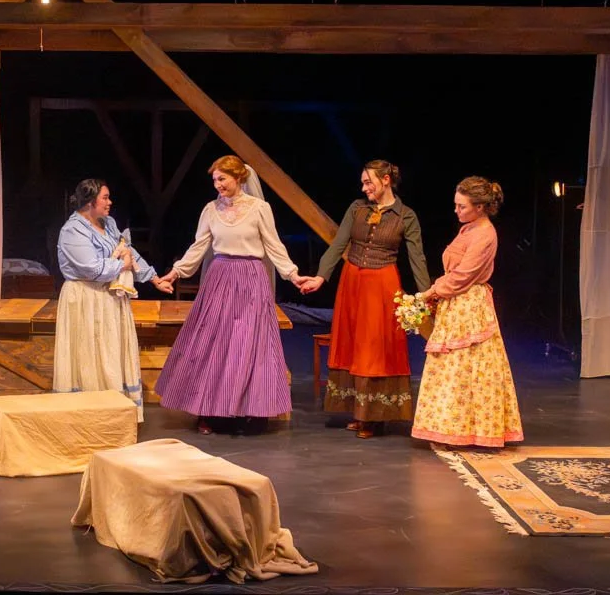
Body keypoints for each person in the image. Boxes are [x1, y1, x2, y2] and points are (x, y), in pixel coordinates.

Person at [152, 155, 313, 433]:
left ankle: (249, 410)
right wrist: (176, 272)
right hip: (220, 278)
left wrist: (293, 274)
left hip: (251, 279)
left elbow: (274, 246)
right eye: (215, 180)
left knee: (249, 344)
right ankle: (209, 412)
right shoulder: (210, 210)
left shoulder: (260, 209)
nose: (218, 185)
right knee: (213, 343)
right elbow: (198, 246)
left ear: (238, 178)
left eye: (222, 178)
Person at [300, 160, 430, 438]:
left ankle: (374, 416)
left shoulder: (405, 215)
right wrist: (321, 277)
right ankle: (359, 413)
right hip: (352, 282)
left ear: (386, 180)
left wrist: (425, 295)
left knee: (375, 347)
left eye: (368, 182)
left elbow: (416, 257)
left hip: (382, 284)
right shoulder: (357, 208)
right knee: (352, 344)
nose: (364, 187)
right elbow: (338, 244)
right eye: (362, 182)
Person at [410, 176, 524, 448]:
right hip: (456, 304)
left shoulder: (485, 234)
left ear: (481, 207)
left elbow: (464, 276)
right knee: (450, 369)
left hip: (469, 305)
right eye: (456, 205)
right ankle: (447, 429)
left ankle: (467, 432)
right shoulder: (468, 229)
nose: (456, 211)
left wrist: (430, 292)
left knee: (467, 368)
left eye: (462, 206)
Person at [55, 179, 157, 421]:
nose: (110, 203)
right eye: (105, 197)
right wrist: (123, 264)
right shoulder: (72, 231)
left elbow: (128, 252)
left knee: (110, 352)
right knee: (89, 353)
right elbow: (92, 268)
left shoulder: (108, 224)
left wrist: (153, 277)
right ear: (90, 202)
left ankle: (115, 414)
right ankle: (90, 416)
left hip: (109, 298)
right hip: (85, 298)